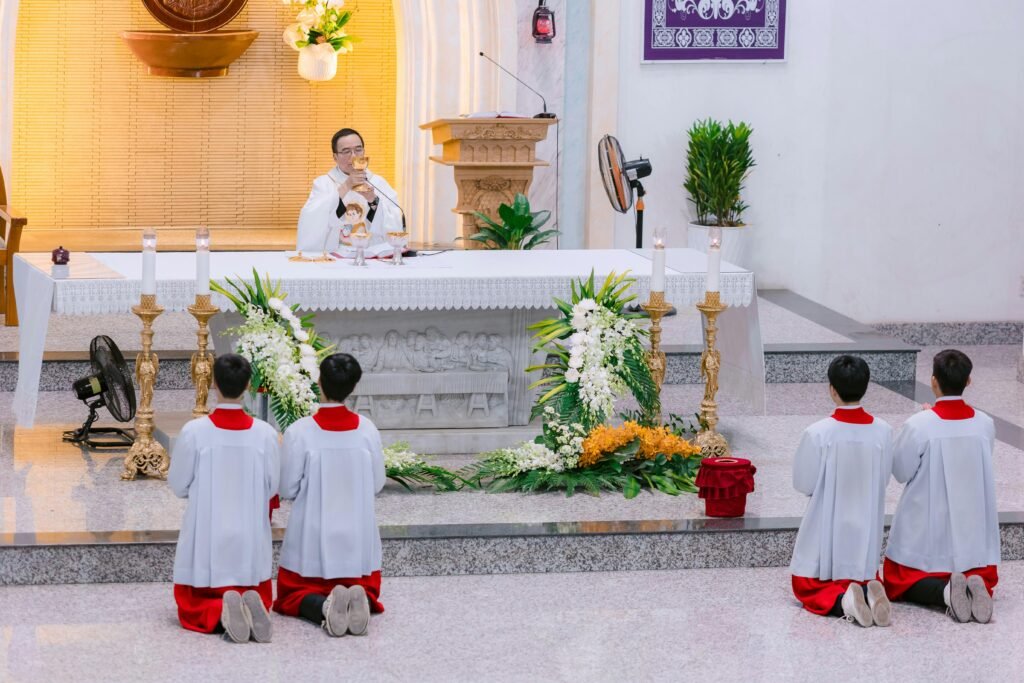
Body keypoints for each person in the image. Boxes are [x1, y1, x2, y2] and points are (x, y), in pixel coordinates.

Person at [168, 354, 281, 644]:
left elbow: (178, 486)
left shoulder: (195, 431)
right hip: (248, 540)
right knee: (251, 575)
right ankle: (247, 603)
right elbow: (272, 489)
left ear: (214, 383)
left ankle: (219, 609)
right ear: (248, 385)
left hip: (208, 536)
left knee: (193, 607)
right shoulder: (266, 435)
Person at [273, 354, 387, 636]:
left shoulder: (300, 432)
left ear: (319, 381)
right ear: (354, 386)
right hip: (356, 542)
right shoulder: (367, 430)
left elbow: (287, 489)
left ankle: (323, 606)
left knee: (291, 596)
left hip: (313, 539)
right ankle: (358, 597)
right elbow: (377, 484)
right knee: (363, 584)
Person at [882, 349, 999, 623]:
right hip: (970, 532)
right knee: (976, 569)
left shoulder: (920, 424)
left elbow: (900, 471)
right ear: (968, 381)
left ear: (933, 381)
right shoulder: (985, 424)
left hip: (927, 529)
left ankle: (944, 592)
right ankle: (972, 584)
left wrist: (926, 417)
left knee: (898, 580)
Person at [790, 355, 894, 627]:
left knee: (806, 584)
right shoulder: (883, 431)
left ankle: (845, 601)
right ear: (866, 387)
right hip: (865, 526)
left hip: (828, 523)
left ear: (832, 389)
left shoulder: (818, 433)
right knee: (862, 572)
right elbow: (883, 479)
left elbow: (803, 482)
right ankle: (868, 592)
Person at [296, 128, 402, 252]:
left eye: (358, 149)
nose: (353, 156)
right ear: (335, 157)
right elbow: (312, 219)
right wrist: (347, 186)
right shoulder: (323, 183)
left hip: (370, 255)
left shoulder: (378, 182)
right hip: (334, 255)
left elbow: (395, 220)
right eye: (346, 151)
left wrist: (373, 201)